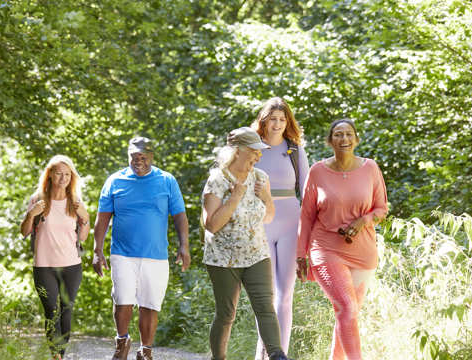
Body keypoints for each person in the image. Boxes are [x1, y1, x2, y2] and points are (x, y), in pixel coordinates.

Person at [296, 119, 388, 360]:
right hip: (326, 248)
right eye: (338, 134)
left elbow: (381, 208)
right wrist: (300, 254)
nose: (344, 139)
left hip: (363, 251)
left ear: (356, 140)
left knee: (348, 313)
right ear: (330, 141)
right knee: (347, 308)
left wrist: (363, 221)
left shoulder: (371, 169)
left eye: (349, 134)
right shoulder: (317, 171)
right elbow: (306, 216)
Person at [92, 136, 190, 360]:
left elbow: (179, 216)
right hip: (122, 253)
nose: (138, 161)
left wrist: (184, 245)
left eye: (143, 157)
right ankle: (122, 342)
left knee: (150, 303)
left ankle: (145, 350)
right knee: (122, 299)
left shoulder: (167, 181)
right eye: (134, 157)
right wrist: (97, 251)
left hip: (156, 254)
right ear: (128, 156)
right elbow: (102, 219)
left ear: (152, 156)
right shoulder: (115, 181)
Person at [202, 127, 292, 360]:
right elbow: (210, 225)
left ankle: (277, 355)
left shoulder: (261, 178)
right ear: (238, 150)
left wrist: (267, 198)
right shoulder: (217, 180)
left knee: (265, 306)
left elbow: (269, 216)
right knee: (226, 314)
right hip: (223, 257)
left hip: (256, 253)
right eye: (254, 151)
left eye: (260, 152)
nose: (258, 156)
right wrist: (235, 197)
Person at [250, 97, 309, 359]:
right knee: (265, 296)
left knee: (285, 294)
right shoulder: (252, 148)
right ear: (264, 120)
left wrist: (310, 233)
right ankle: (262, 351)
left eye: (282, 119)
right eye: (272, 118)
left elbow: (307, 192)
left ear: (288, 122)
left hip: (290, 224)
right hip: (259, 225)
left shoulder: (295, 150)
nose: (277, 124)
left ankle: (279, 353)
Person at [20, 155, 90, 360]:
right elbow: (24, 232)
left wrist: (85, 218)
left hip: (72, 266)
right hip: (44, 266)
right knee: (51, 311)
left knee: (66, 310)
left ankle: (60, 353)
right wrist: (30, 214)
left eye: (67, 174)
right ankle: (55, 355)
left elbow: (82, 237)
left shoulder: (75, 202)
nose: (63, 178)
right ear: (50, 174)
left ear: (72, 177)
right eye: (59, 173)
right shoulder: (38, 199)